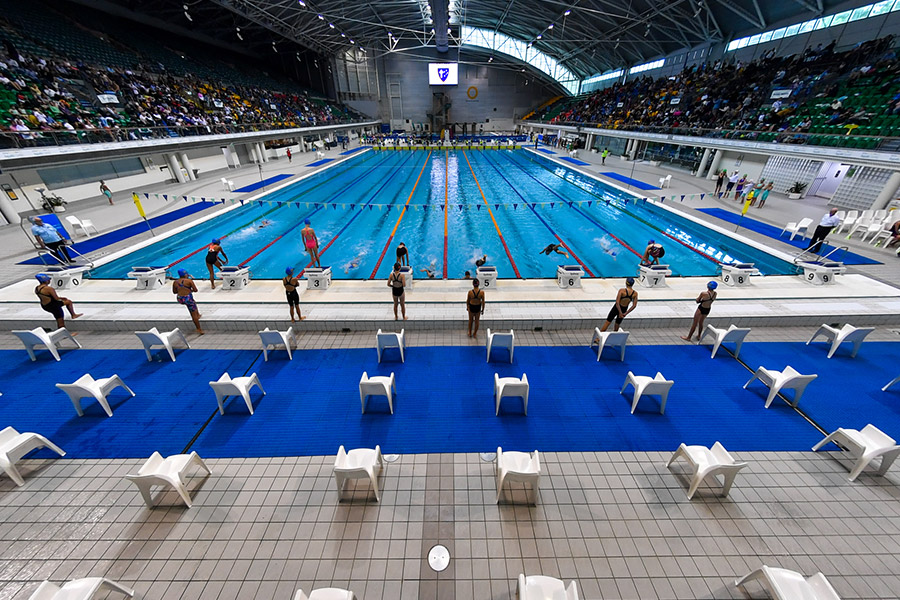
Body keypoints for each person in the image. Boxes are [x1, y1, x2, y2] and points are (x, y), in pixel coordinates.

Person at [172, 269, 203, 334]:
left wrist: (181, 290)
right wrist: (189, 290)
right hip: (188, 298)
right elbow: (195, 290)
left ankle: (198, 314)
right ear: (186, 274)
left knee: (193, 302)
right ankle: (199, 329)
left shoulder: (175, 282)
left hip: (180, 298)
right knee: (193, 313)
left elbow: (174, 292)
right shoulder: (189, 281)